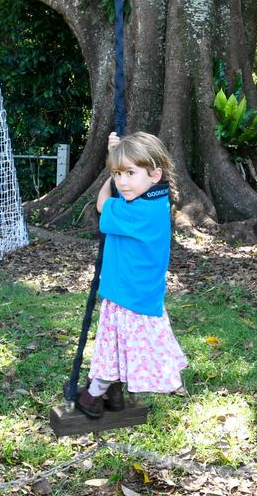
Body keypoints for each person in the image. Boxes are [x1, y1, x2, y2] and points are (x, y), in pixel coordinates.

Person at [76, 132, 187, 418]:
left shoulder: (139, 211)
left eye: (130, 173)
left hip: (130, 296)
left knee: (115, 344)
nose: (122, 182)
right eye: (118, 174)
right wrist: (118, 158)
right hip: (133, 292)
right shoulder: (156, 200)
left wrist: (107, 177)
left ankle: (93, 395)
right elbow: (127, 189)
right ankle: (113, 394)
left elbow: (102, 204)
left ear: (155, 174)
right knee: (116, 344)